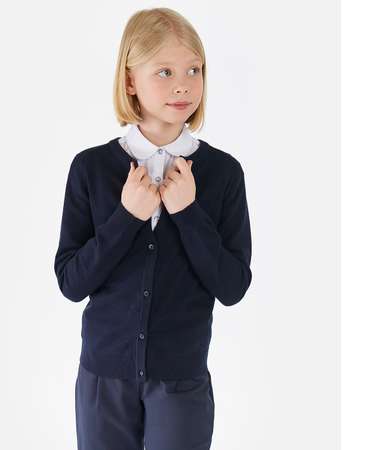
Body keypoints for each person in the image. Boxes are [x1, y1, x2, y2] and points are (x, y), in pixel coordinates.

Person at [54, 7, 252, 450]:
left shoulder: (223, 174)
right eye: (164, 71)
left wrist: (188, 213)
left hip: (181, 380)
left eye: (194, 70)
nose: (183, 85)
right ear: (130, 81)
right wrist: (127, 217)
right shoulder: (90, 169)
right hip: (103, 381)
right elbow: (71, 282)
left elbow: (233, 286)